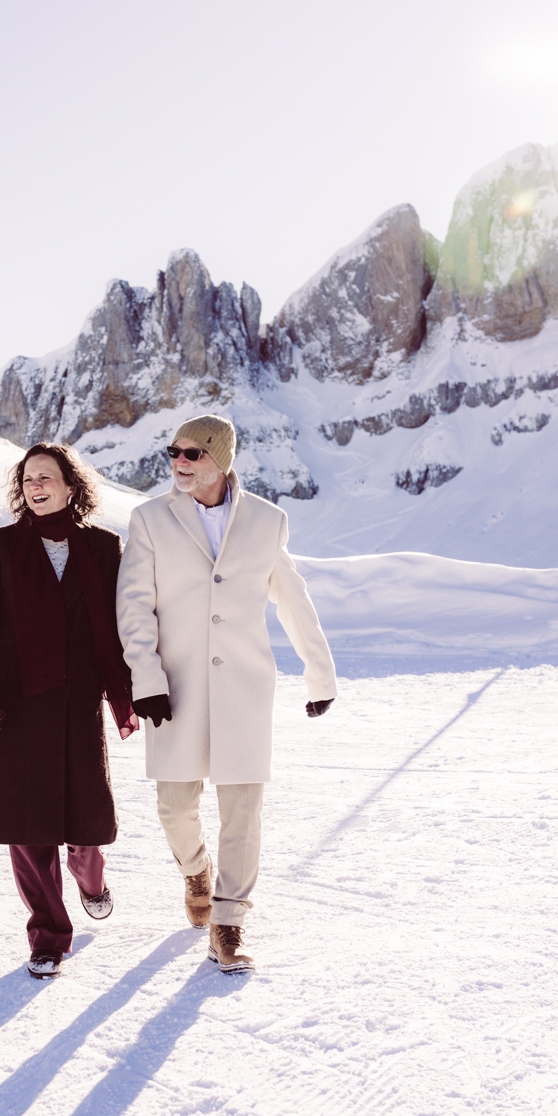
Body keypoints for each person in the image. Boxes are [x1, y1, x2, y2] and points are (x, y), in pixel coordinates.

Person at [116, 414, 336, 973]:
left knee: (243, 809)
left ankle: (229, 921)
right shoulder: (149, 519)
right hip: (175, 686)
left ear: (221, 459)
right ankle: (195, 869)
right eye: (174, 452)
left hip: (244, 685)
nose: (180, 462)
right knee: (174, 804)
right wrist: (146, 678)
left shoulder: (267, 520)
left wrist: (319, 675)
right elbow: (134, 607)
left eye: (192, 453)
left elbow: (292, 598)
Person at [0, 443, 137, 979]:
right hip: (12, 703)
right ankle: (48, 937)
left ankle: (89, 873)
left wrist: (132, 686)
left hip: (78, 699)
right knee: (27, 828)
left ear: (70, 485)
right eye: (28, 478)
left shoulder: (102, 548)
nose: (36, 485)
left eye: (46, 477)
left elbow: (119, 624)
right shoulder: (2, 546)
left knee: (87, 824)